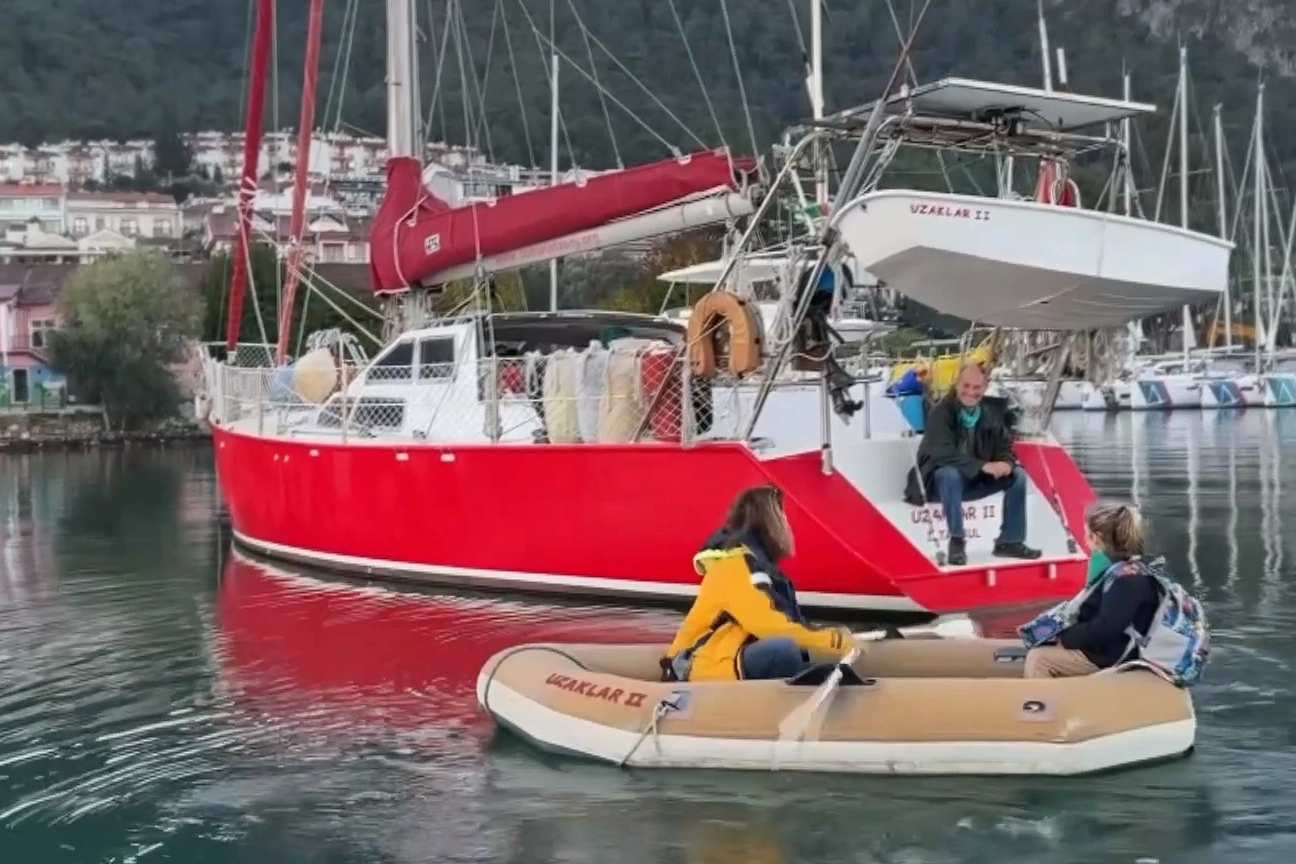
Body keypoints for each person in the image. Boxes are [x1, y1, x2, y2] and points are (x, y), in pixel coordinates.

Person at [661, 485, 854, 682]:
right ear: (771, 522)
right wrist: (834, 640)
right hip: (699, 664)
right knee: (783, 650)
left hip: (726, 654)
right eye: (783, 517)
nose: (787, 524)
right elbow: (769, 626)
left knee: (803, 656)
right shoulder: (736, 567)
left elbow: (786, 622)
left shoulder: (756, 564)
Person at [904, 363, 1041, 566]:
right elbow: (940, 453)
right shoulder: (940, 412)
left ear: (984, 388)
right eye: (966, 386)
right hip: (935, 484)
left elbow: (1005, 447)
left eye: (977, 388)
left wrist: (1006, 463)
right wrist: (982, 466)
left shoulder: (991, 413)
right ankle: (957, 542)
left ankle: (1010, 541)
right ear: (957, 384)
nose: (970, 392)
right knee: (949, 473)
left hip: (974, 481)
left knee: (1017, 475)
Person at [1024, 503, 1162, 678]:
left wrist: (1066, 638)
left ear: (1096, 538)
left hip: (1112, 656)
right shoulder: (1128, 569)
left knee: (1039, 659)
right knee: (1042, 648)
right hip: (1108, 648)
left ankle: (1040, 704)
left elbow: (1106, 627)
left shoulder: (1127, 581)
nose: (1084, 539)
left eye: (1086, 534)